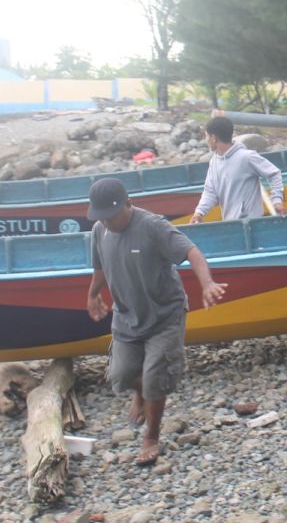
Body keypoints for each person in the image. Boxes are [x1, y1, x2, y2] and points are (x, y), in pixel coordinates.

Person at [86, 178, 227, 466]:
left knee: (155, 379)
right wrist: (92, 294)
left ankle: (151, 436)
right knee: (120, 375)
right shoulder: (99, 230)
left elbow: (192, 252)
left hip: (165, 315)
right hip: (126, 317)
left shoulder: (153, 226)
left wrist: (207, 284)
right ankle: (140, 392)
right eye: (102, 217)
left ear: (129, 204)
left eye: (112, 216)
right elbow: (100, 266)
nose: (108, 223)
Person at [190, 116, 287, 223]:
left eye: (206, 136)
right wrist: (199, 213)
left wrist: (277, 200)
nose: (206, 140)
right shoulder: (214, 162)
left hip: (252, 223)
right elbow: (210, 192)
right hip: (232, 225)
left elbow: (274, 174)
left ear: (213, 138)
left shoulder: (246, 157)